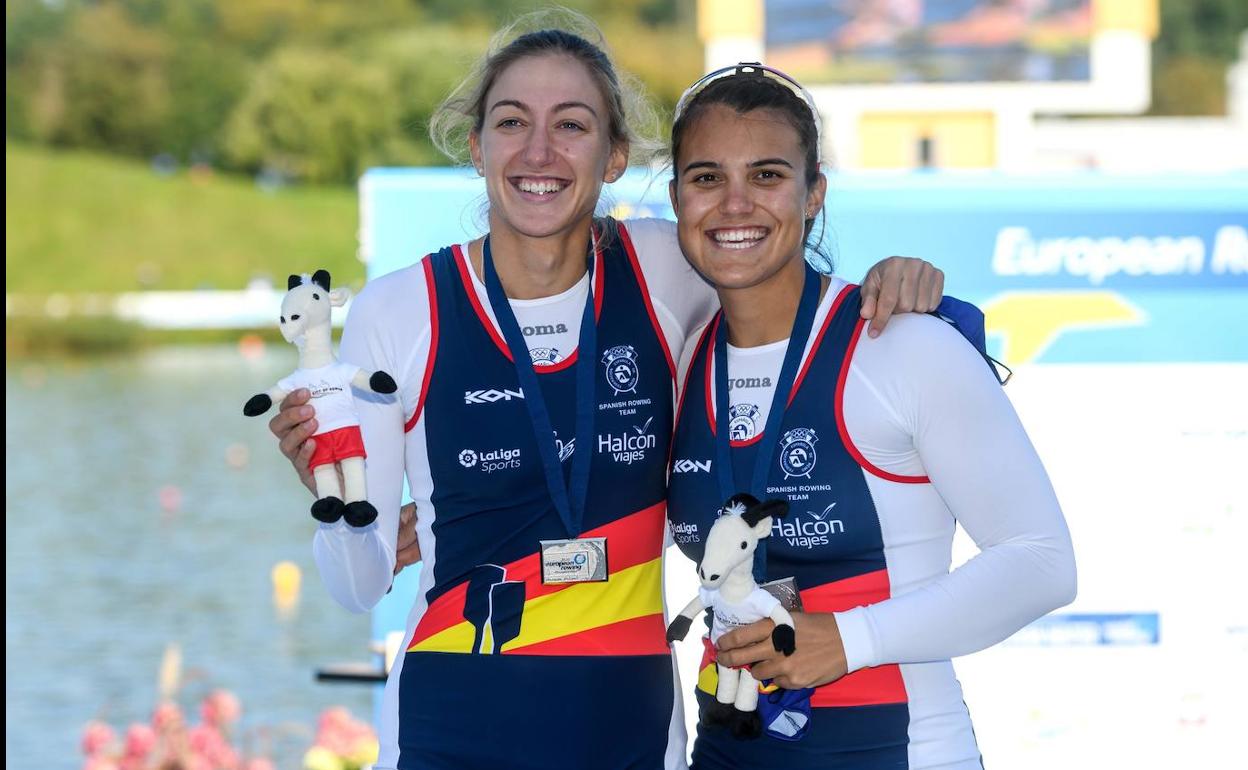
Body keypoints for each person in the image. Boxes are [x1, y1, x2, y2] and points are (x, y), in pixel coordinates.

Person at [267, 14, 944, 770]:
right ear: (477, 146)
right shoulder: (401, 309)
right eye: (512, 122)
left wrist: (905, 285)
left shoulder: (662, 268)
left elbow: (778, 279)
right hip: (448, 724)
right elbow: (360, 587)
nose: (539, 152)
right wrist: (337, 497)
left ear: (616, 155)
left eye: (573, 126)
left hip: (629, 729)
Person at [662, 64, 1077, 769]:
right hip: (728, 752)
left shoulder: (904, 343)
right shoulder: (677, 358)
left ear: (813, 192)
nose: (735, 204)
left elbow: (1042, 563)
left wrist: (852, 639)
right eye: (707, 178)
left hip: (900, 748)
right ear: (676, 198)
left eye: (766, 175)